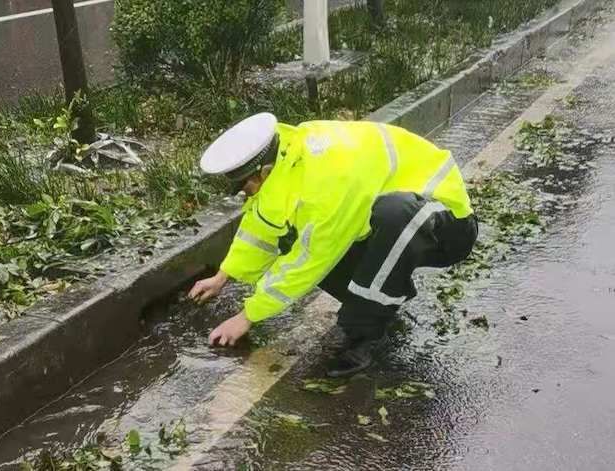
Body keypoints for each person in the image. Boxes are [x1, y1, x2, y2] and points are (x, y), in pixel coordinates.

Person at [188, 113, 478, 377]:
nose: (245, 194)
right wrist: (224, 276)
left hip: (446, 220)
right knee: (293, 235)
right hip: (392, 221)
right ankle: (381, 296)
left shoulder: (328, 174)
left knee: (392, 215)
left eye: (245, 187)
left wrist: (247, 316)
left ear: (263, 171)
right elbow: (261, 228)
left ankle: (364, 334)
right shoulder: (285, 160)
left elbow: (314, 257)